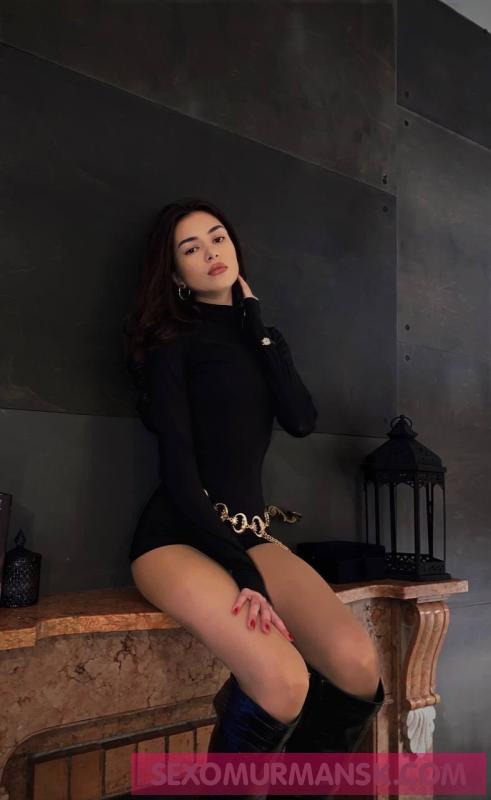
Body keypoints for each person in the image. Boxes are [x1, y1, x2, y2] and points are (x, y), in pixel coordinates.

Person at [123, 198, 385, 795]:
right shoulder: (172, 343)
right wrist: (245, 574)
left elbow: (301, 419)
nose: (211, 253)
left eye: (218, 238)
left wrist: (258, 327)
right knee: (284, 681)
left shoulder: (261, 336)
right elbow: (179, 470)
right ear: (175, 273)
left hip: (248, 531)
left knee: (357, 667)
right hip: (176, 536)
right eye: (191, 248)